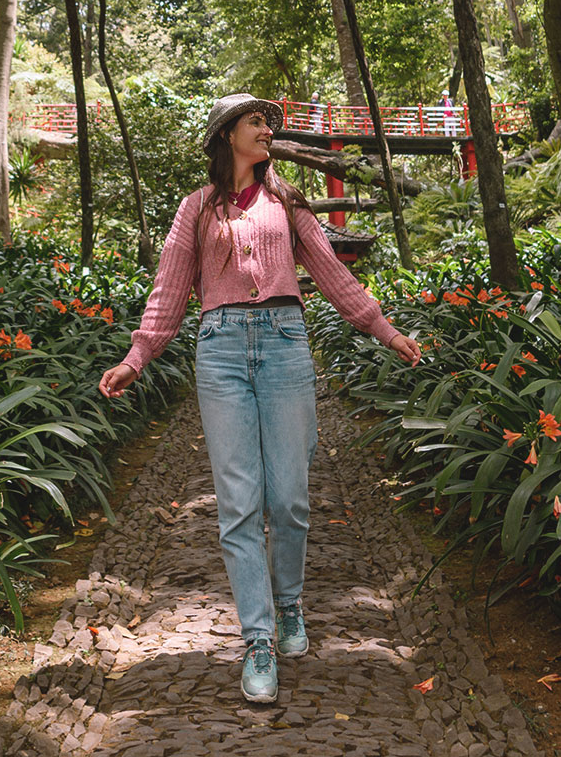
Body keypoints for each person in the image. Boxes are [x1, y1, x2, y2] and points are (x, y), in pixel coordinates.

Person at [98, 93, 421, 704]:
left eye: (269, 121)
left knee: (290, 497)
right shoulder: (194, 210)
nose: (267, 129)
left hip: (284, 345)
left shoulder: (288, 202)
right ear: (226, 135)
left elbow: (332, 273)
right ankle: (259, 638)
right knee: (239, 503)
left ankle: (291, 602)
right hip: (219, 351)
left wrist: (385, 330)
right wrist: (136, 357)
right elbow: (169, 293)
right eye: (256, 120)